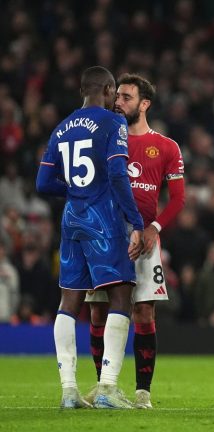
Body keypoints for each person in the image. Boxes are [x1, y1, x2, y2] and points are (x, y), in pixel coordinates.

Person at [36, 66, 144, 409]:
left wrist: (73, 190)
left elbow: (42, 183)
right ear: (109, 89)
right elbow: (117, 173)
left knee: (69, 302)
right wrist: (136, 220)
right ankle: (108, 387)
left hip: (71, 219)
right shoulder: (113, 123)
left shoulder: (61, 128)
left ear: (82, 90)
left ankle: (69, 391)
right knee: (121, 295)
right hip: (103, 218)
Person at [84, 74, 186, 409]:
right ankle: (104, 386)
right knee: (98, 312)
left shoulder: (167, 146)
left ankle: (143, 392)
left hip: (144, 240)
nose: (118, 102)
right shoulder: (103, 139)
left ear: (144, 104)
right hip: (105, 236)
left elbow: (178, 199)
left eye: (126, 97)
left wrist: (154, 228)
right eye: (117, 96)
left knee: (143, 312)